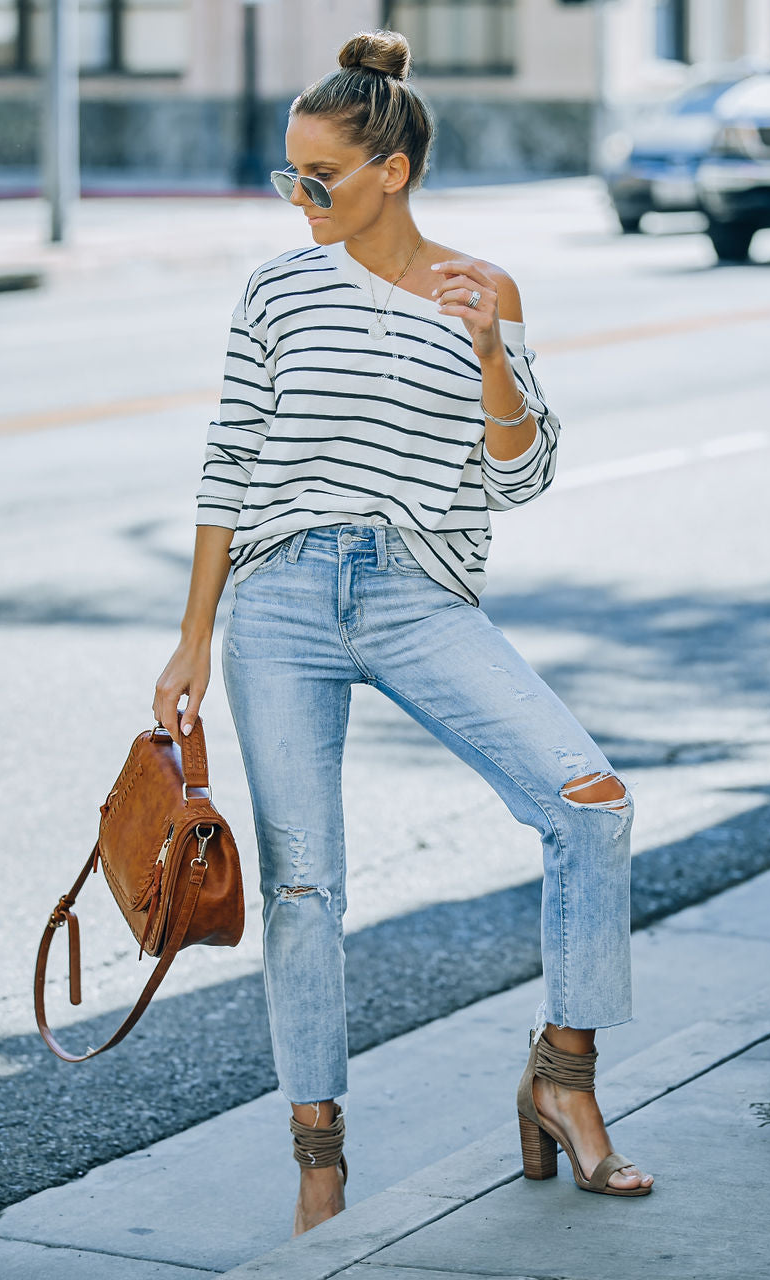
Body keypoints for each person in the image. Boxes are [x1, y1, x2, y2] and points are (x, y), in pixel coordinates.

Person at [153, 27, 654, 1237]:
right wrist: (191, 637)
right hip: (278, 596)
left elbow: (523, 476)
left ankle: (562, 1076)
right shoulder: (276, 287)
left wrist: (487, 353)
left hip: (419, 590)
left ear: (393, 170)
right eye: (287, 177)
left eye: (315, 179)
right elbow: (228, 463)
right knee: (305, 886)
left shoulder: (485, 289)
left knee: (587, 801)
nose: (297, 199)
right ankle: (318, 1156)